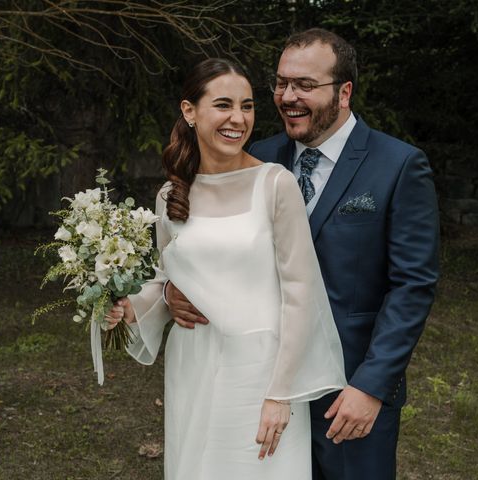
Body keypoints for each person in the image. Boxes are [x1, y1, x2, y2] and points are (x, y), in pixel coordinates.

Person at [168, 29, 440, 479]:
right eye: (280, 83)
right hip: (261, 386)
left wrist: (370, 387)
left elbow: (413, 286)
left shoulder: (398, 166)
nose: (288, 97)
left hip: (346, 393)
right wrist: (173, 295)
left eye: (305, 86)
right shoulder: (258, 155)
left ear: (345, 91)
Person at [105, 57, 346, 480]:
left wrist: (280, 394)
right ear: (189, 111)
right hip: (192, 364)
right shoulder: (170, 194)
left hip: (261, 372)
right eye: (223, 105)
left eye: (248, 106)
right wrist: (126, 307)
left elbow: (301, 294)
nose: (238, 118)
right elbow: (165, 282)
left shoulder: (275, 184)